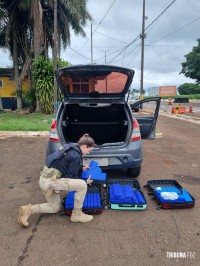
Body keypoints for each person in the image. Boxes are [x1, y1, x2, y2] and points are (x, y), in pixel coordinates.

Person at [18, 133, 95, 227]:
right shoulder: (76, 156)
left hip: (43, 180)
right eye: (89, 150)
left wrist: (82, 168)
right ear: (85, 146)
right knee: (82, 185)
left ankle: (29, 210)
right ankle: (77, 214)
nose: (88, 153)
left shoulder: (71, 147)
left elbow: (64, 164)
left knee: (55, 208)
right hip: (51, 183)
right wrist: (86, 182)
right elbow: (71, 176)